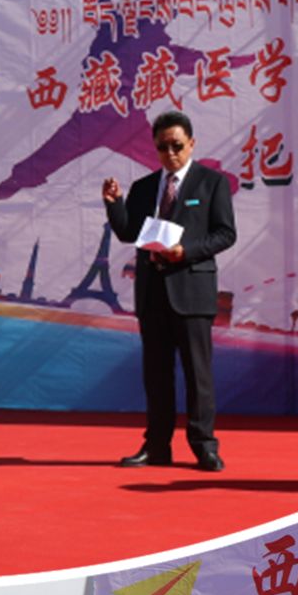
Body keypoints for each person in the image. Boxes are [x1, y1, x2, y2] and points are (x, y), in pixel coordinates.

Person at [102, 109, 236, 471]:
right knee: (156, 374)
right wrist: (114, 205)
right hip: (153, 292)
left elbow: (225, 233)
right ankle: (157, 446)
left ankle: (204, 446)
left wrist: (185, 251)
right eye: (163, 147)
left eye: (177, 145)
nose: (170, 153)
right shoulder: (145, 187)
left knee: (197, 374)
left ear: (191, 143)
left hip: (192, 291)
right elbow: (129, 233)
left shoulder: (211, 183)